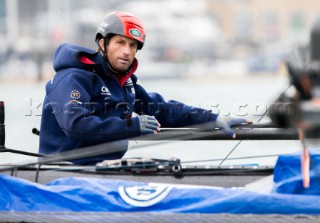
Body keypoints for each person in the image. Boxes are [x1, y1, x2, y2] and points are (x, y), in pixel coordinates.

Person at [39, 11, 251, 165]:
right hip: (64, 174)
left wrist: (212, 118)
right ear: (103, 44)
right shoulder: (72, 78)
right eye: (120, 43)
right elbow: (76, 125)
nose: (127, 52)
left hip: (103, 172)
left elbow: (160, 109)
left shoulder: (124, 82)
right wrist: (132, 126)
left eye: (133, 46)